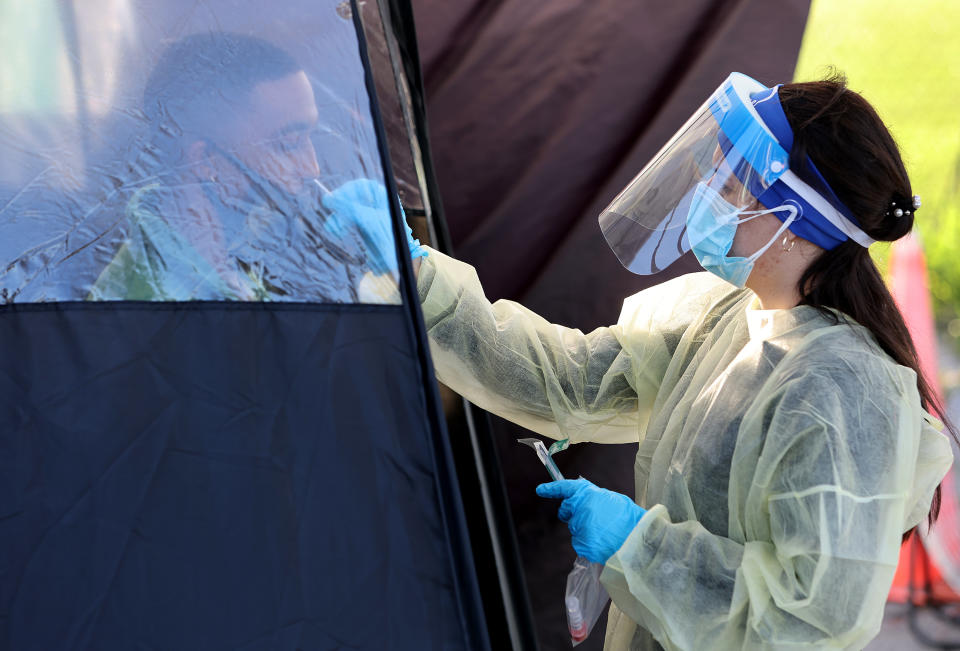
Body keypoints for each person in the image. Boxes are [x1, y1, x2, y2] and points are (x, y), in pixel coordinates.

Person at [404, 72, 955, 649]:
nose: (706, 192)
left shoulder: (841, 390)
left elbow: (808, 618)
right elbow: (566, 383)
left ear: (794, 222)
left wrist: (637, 545)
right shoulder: (722, 317)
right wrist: (418, 276)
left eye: (729, 182)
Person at [85, 32, 422, 303]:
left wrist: (410, 273)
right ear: (206, 162)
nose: (313, 168)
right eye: (288, 144)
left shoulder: (234, 268)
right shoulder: (147, 306)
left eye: (310, 139)